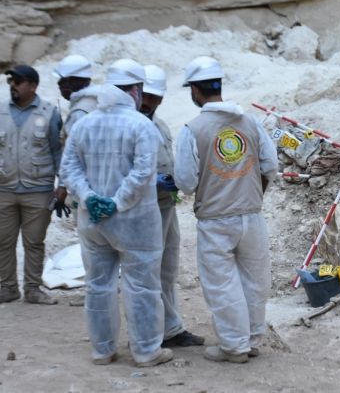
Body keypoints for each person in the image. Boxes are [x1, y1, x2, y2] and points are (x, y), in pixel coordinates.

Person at [60, 58, 173, 367]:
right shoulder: (141, 125)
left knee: (98, 285)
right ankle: (147, 350)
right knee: (142, 286)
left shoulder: (84, 124)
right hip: (135, 222)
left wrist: (89, 197)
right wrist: (117, 202)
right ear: (136, 90)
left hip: (92, 221)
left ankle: (102, 350)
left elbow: (68, 168)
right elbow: (142, 174)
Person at [174, 56, 278, 363]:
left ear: (195, 90)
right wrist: (252, 193)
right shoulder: (250, 122)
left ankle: (234, 346)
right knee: (254, 280)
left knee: (222, 284)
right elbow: (270, 165)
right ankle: (252, 339)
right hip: (252, 215)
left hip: (215, 220)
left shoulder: (192, 129)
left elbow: (186, 182)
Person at [140, 64, 204, 348]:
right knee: (144, 273)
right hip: (139, 210)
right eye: (144, 95)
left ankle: (171, 329)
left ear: (160, 99)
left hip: (165, 205)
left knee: (167, 269)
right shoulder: (127, 125)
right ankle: (147, 335)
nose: (147, 101)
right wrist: (151, 182)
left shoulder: (160, 125)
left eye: (152, 97)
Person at [0, 65, 64, 305]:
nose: (13, 86)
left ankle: (33, 289)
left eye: (18, 81)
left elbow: (58, 152)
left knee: (34, 242)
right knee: (3, 241)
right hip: (3, 189)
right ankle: (7, 288)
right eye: (11, 82)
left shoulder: (49, 113)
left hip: (38, 189)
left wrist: (63, 184)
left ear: (33, 86)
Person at [54, 54, 99, 144]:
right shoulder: (98, 100)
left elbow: (77, 150)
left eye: (63, 81)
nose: (59, 84)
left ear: (77, 81)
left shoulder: (80, 112)